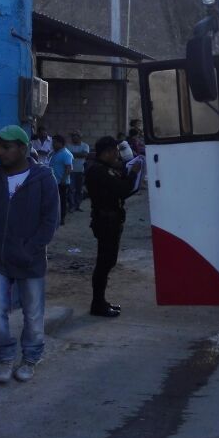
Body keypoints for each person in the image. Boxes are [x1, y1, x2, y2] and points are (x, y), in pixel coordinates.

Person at [0, 125, 59, 384]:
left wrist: (30, 248)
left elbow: (50, 219)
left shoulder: (43, 178)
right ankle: (6, 357)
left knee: (32, 313)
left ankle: (30, 358)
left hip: (29, 259)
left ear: (22, 148)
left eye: (7, 147)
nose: (0, 152)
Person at [85, 135, 142, 317]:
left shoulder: (106, 169)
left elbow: (120, 188)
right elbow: (122, 189)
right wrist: (133, 173)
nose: (117, 155)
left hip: (112, 220)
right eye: (115, 151)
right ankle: (97, 304)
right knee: (104, 263)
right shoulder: (98, 171)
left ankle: (101, 301)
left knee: (108, 261)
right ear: (108, 152)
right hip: (105, 221)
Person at [48, 134, 73, 225]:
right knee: (54, 201)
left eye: (54, 143)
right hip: (54, 181)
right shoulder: (55, 153)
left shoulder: (66, 154)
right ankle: (55, 217)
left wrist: (63, 180)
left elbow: (68, 168)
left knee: (62, 201)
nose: (53, 144)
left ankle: (61, 218)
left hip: (62, 183)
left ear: (60, 143)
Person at [66, 130, 90, 211]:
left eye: (75, 136)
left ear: (79, 137)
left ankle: (78, 205)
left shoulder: (85, 145)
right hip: (71, 171)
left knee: (79, 190)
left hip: (81, 171)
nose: (73, 138)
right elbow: (67, 155)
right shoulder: (68, 146)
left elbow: (85, 155)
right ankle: (72, 206)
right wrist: (79, 154)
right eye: (73, 136)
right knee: (71, 189)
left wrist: (72, 154)